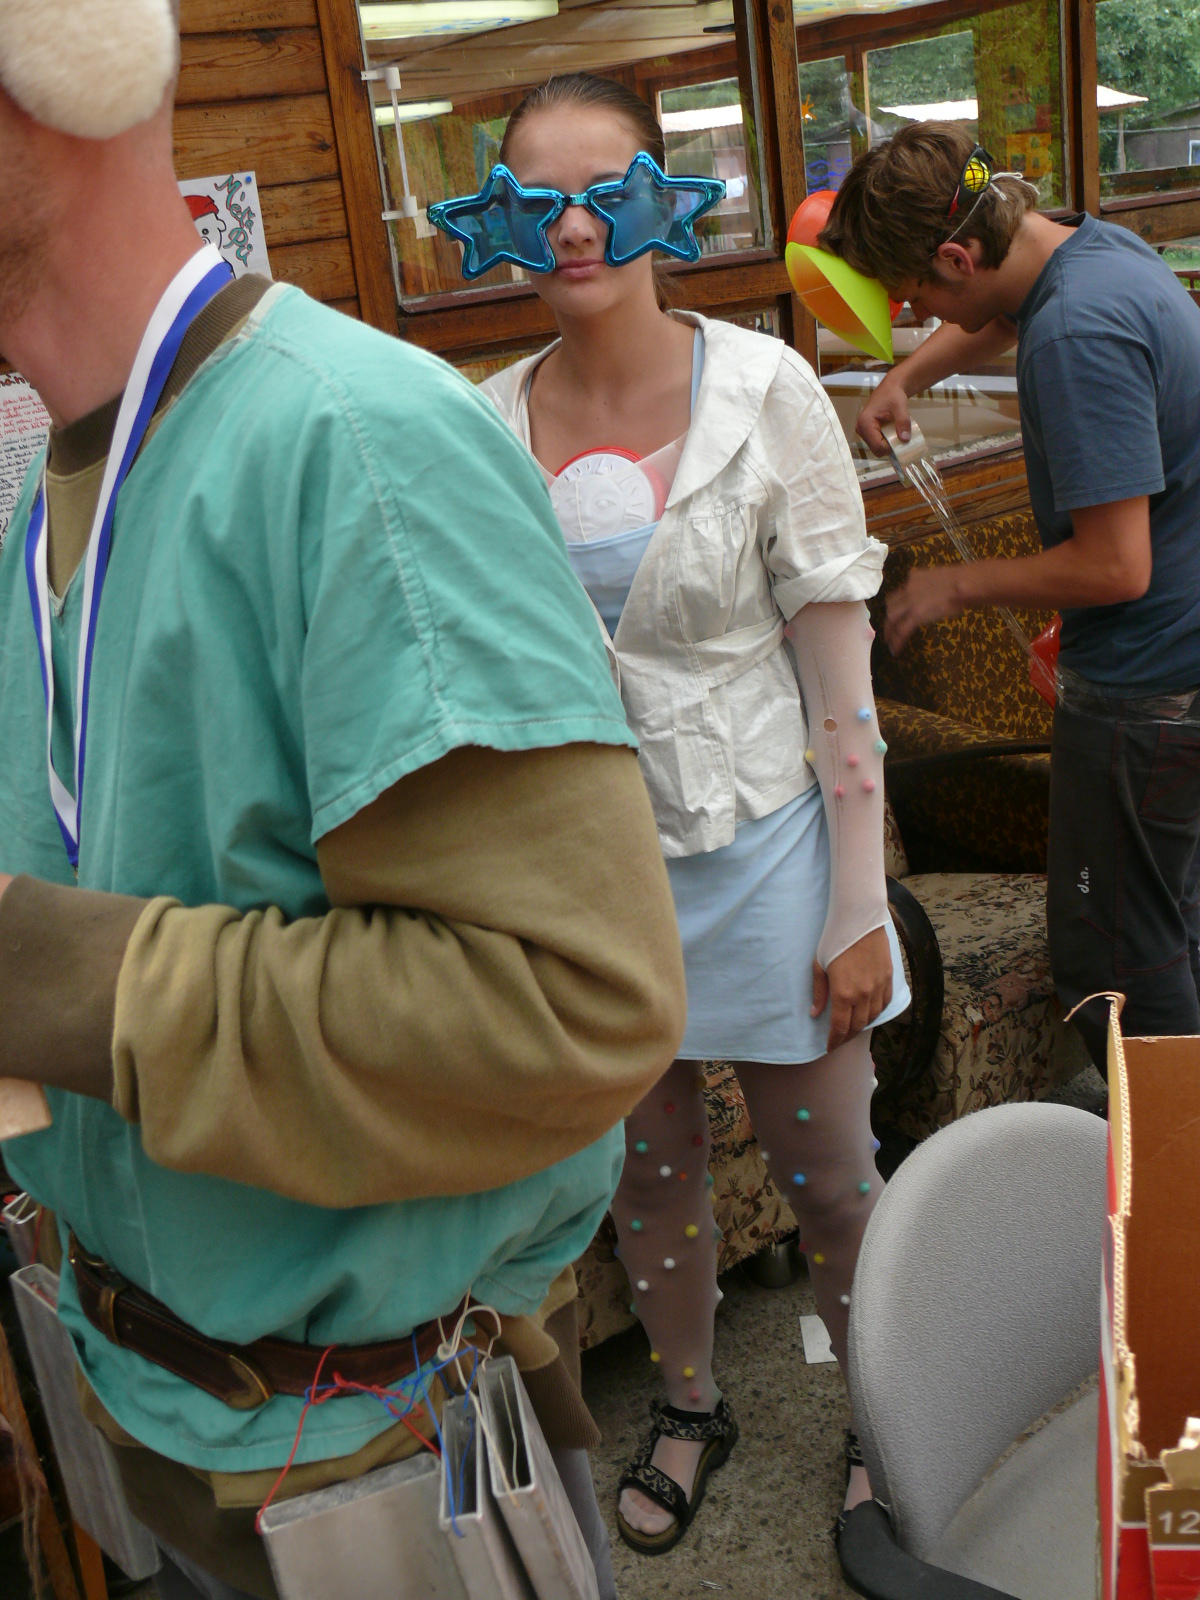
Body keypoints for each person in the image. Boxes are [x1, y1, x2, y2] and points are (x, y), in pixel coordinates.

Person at [0, 8, 687, 1599]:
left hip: (375, 1458)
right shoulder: (46, 501)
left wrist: (43, 976)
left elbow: (571, 1006)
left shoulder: (358, 446)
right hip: (148, 1413)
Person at [439, 72, 909, 1555]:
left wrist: (859, 904)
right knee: (648, 1170)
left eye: (607, 193)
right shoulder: (479, 423)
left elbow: (838, 672)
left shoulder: (765, 391)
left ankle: (893, 1412)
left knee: (831, 1178)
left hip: (770, 846)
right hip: (593, 875)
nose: (575, 229)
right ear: (499, 218)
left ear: (664, 203)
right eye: (539, 200)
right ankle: (693, 1403)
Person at [820, 123, 1200, 1070]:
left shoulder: (1075, 337)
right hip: (1182, 654)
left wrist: (954, 585)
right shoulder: (1095, 250)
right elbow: (996, 313)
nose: (915, 314)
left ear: (958, 257)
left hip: (1148, 691)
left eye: (914, 297)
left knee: (1117, 968)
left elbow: (1115, 568)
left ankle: (1158, 1160)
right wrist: (908, 375)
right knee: (1172, 929)